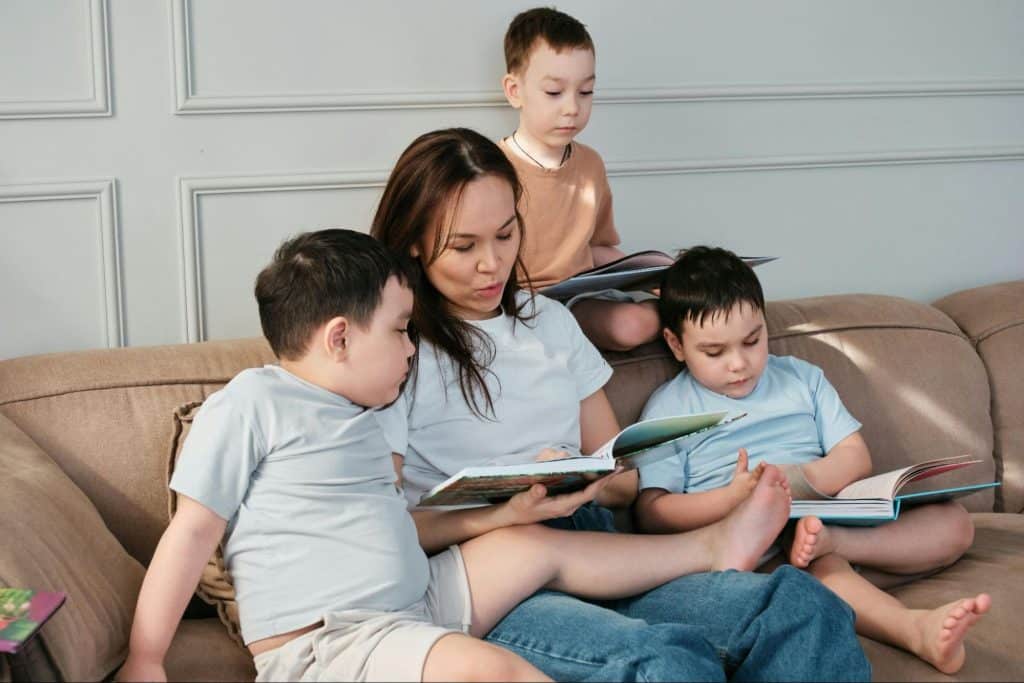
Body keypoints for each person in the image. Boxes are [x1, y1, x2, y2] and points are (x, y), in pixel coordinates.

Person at [116, 229, 795, 683]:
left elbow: (397, 527)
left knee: (532, 543)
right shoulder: (252, 403)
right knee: (499, 671)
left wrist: (500, 516)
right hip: (331, 643)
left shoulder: (368, 414)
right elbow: (192, 532)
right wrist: (146, 658)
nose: (414, 349)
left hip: (413, 604)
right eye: (402, 331)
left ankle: (710, 547)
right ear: (340, 338)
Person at [371, 127, 872, 682]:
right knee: (662, 663)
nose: (492, 263)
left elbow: (623, 479)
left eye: (506, 234)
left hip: (599, 545)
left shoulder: (550, 323)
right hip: (494, 576)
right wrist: (502, 506)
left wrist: (577, 479)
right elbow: (384, 529)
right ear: (415, 240)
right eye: (464, 247)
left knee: (802, 606)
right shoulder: (394, 349)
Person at [633, 245, 992, 675]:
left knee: (955, 523)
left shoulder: (801, 377)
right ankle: (914, 629)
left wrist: (802, 478)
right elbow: (652, 511)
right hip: (747, 545)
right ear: (676, 344)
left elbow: (854, 455)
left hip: (822, 517)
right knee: (819, 565)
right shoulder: (669, 409)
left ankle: (833, 549)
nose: (739, 364)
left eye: (753, 340)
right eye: (714, 352)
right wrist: (734, 497)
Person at [498, 7, 661, 352]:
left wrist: (662, 278)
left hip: (583, 297)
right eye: (555, 93)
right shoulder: (493, 169)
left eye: (585, 92)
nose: (572, 107)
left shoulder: (590, 164)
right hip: (520, 304)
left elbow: (598, 247)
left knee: (638, 324)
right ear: (515, 91)